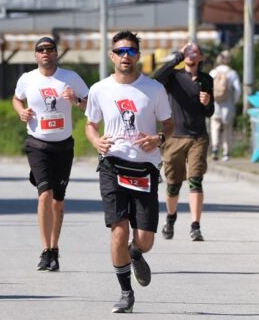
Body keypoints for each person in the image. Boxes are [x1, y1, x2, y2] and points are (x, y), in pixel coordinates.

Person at [85, 30, 174, 313]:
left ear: (138, 56)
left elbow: (169, 125)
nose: (126, 56)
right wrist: (96, 141)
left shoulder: (154, 89)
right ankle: (126, 293)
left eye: (131, 52)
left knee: (144, 240)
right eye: (121, 52)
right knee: (119, 231)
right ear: (112, 56)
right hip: (111, 165)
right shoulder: (99, 89)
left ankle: (136, 255)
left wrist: (158, 138)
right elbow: (90, 125)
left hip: (144, 168)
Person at [13, 37, 89, 272]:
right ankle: (45, 250)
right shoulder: (27, 79)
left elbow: (90, 105)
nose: (45, 53)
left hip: (63, 145)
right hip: (37, 144)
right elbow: (16, 98)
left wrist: (75, 100)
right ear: (36, 55)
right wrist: (21, 112)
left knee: (58, 200)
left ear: (56, 53)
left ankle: (55, 249)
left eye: (50, 49)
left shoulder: (70, 78)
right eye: (41, 50)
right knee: (44, 194)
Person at [153, 42, 214, 242]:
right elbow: (158, 77)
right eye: (188, 51)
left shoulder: (206, 80)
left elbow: (209, 111)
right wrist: (177, 57)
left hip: (198, 136)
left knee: (196, 179)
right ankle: (170, 219)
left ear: (201, 57)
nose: (191, 54)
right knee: (173, 184)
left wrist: (207, 103)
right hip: (175, 137)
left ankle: (195, 226)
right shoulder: (175, 77)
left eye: (195, 51)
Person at [208, 50, 241, 161]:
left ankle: (215, 149)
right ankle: (226, 153)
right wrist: (234, 101)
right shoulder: (232, 73)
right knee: (228, 128)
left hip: (215, 104)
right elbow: (238, 90)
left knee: (215, 126)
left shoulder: (213, 72)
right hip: (228, 104)